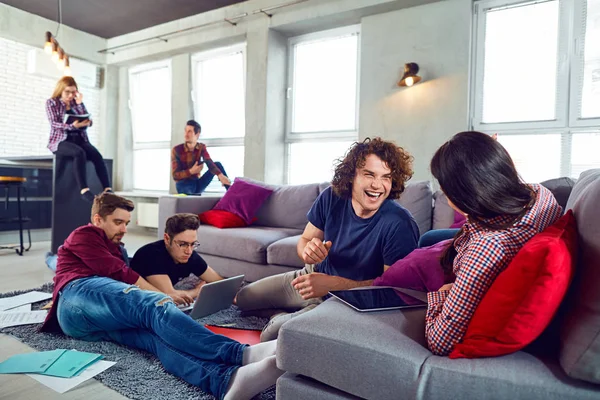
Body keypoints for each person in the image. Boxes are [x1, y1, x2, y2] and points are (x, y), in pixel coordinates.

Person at [40, 193, 283, 400]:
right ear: (97, 220)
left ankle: (225, 381)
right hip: (77, 294)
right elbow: (122, 275)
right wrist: (162, 297)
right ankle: (240, 354)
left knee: (154, 338)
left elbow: (120, 281)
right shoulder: (85, 234)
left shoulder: (117, 247)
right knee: (154, 305)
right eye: (117, 222)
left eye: (126, 223)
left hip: (91, 321)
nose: (124, 229)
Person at [236, 137, 420, 341]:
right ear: (352, 176)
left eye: (386, 177)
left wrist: (333, 285)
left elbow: (394, 291)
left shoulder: (400, 224)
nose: (377, 185)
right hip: (312, 276)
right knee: (243, 299)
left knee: (271, 334)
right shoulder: (331, 197)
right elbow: (305, 239)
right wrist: (308, 251)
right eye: (369, 174)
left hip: (348, 301)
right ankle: (297, 311)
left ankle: (284, 316)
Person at [425, 131, 562, 356]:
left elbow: (440, 342)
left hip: (460, 268)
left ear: (465, 194)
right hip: (476, 235)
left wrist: (442, 294)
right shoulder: (539, 194)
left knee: (422, 250)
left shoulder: (486, 249)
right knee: (429, 239)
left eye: (445, 188)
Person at [131, 213, 224, 305]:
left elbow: (220, 282)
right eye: (182, 244)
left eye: (193, 244)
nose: (189, 251)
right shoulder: (150, 254)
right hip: (135, 301)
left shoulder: (189, 254)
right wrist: (196, 291)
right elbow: (171, 296)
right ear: (167, 239)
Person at [46, 76, 111, 202]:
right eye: (67, 92)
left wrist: (82, 109)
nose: (70, 95)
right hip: (61, 141)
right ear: (61, 90)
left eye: (73, 92)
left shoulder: (77, 103)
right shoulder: (52, 102)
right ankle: (84, 190)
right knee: (79, 153)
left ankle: (107, 188)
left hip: (79, 139)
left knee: (97, 155)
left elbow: (86, 120)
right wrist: (72, 126)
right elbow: (54, 123)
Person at [171, 120, 231, 195]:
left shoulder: (201, 147)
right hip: (183, 184)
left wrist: (220, 175)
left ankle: (231, 193)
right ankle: (192, 199)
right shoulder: (176, 150)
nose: (186, 134)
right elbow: (175, 175)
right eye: (185, 131)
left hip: (197, 183)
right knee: (191, 198)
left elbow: (209, 162)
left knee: (217, 164)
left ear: (197, 134)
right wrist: (191, 171)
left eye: (189, 131)